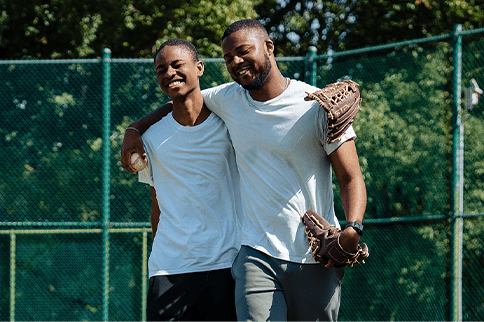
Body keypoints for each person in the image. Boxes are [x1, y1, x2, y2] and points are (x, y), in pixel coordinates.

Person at [122, 20, 367, 322]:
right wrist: (134, 130)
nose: (236, 62)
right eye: (228, 58)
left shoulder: (317, 106)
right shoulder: (228, 99)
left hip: (313, 255)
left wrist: (353, 228)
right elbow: (182, 96)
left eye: (243, 51)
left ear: (269, 48)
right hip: (255, 253)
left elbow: (351, 176)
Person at [134, 38, 240, 322]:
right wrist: (133, 130)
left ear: (200, 68)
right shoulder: (150, 139)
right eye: (161, 69)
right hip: (168, 269)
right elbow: (157, 204)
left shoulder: (231, 125)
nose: (169, 73)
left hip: (226, 264)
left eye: (177, 64)